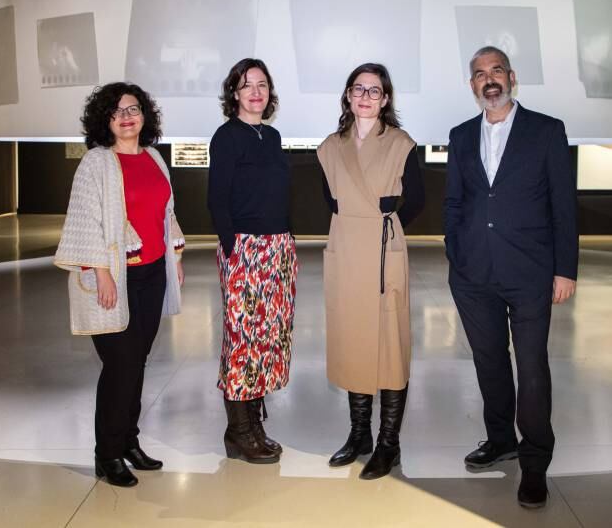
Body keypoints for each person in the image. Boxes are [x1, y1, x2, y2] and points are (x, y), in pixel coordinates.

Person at [443, 46, 578, 509]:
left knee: (532, 367)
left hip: (530, 273)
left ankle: (536, 460)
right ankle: (501, 439)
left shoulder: (546, 131)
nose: (489, 80)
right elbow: (455, 204)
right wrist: (455, 256)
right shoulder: (460, 136)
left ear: (511, 77)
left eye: (496, 70)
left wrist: (565, 269)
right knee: (489, 363)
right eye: (480, 74)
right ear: (472, 85)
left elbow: (563, 206)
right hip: (473, 274)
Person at [54, 82, 186, 487]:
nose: (126, 117)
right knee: (120, 365)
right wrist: (102, 271)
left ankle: (129, 441)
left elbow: (167, 212)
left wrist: (174, 257)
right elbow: (84, 219)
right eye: (116, 112)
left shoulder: (154, 159)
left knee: (137, 361)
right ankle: (106, 454)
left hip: (151, 274)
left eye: (133, 109)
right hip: (115, 275)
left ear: (145, 115)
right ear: (105, 121)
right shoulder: (96, 162)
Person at [317, 62, 424, 480]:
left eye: (374, 90)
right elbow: (330, 199)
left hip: (383, 249)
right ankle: (359, 434)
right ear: (347, 95)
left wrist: (387, 222)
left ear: (386, 98)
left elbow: (415, 200)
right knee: (353, 340)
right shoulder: (329, 146)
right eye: (358, 89)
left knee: (391, 346)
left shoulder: (401, 143)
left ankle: (388, 444)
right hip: (346, 246)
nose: (365, 96)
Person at [208, 58, 297, 465]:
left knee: (268, 339)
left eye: (262, 84)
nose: (256, 92)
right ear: (234, 93)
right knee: (243, 339)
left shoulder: (273, 136)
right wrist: (233, 249)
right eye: (247, 85)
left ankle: (255, 425)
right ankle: (238, 431)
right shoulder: (227, 137)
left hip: (278, 248)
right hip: (245, 248)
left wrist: (285, 242)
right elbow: (217, 199)